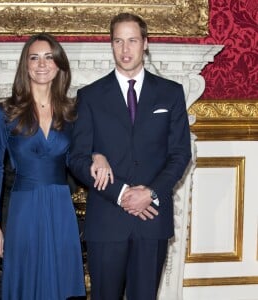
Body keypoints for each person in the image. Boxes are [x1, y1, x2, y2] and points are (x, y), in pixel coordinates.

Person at [69, 13, 192, 300]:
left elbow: (180, 154)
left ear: (145, 44)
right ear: (111, 45)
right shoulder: (89, 96)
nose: (125, 50)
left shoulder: (171, 93)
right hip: (107, 222)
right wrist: (123, 192)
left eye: (132, 41)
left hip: (152, 219)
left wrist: (150, 192)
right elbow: (76, 157)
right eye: (118, 41)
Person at [0, 33, 113, 300]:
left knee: (60, 284)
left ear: (59, 65)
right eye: (34, 58)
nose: (42, 64)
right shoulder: (6, 112)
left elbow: (81, 154)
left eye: (49, 57)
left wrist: (99, 155)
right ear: (26, 65)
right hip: (24, 208)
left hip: (60, 206)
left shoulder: (71, 112)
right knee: (26, 282)